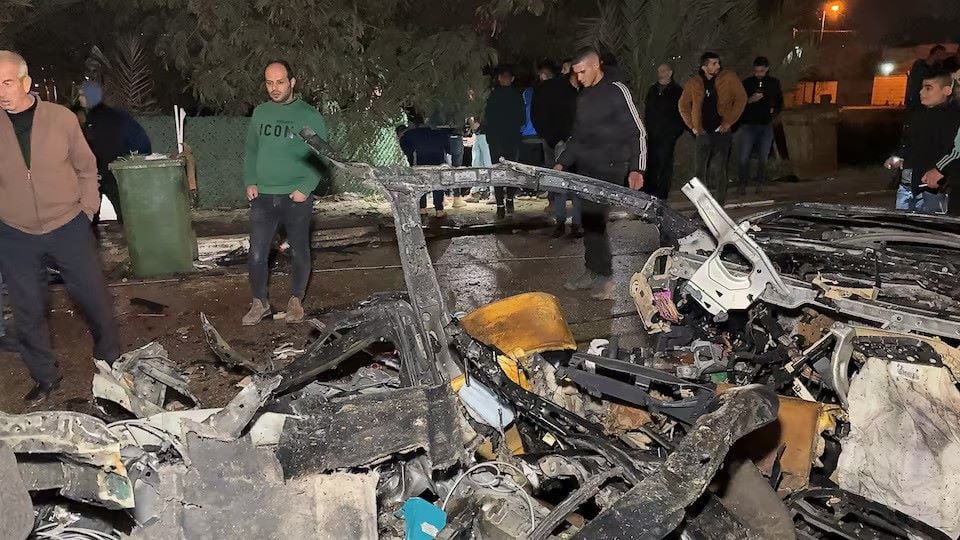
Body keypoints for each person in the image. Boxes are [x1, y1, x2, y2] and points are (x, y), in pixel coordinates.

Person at [0, 50, 121, 402]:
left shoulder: (61, 119)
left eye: (7, 83)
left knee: (94, 298)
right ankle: (45, 376)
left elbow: (86, 166)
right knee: (27, 309)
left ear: (25, 82)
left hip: (68, 224)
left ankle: (110, 362)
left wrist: (87, 208)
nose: (2, 91)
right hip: (15, 233)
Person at [555, 47, 647, 300]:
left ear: (595, 66)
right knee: (588, 221)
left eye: (582, 72)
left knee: (596, 220)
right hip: (586, 168)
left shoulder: (617, 91)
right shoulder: (584, 98)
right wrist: (562, 163)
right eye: (575, 74)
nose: (579, 78)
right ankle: (591, 270)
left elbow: (637, 131)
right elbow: (578, 136)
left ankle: (605, 277)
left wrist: (637, 168)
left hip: (610, 167)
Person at [242, 60, 328, 326]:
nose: (274, 88)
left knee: (299, 250)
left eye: (280, 82)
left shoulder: (308, 115)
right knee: (256, 253)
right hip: (263, 196)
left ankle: (295, 301)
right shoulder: (261, 113)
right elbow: (252, 150)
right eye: (269, 82)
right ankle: (260, 303)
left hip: (295, 196)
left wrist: (305, 188)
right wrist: (251, 180)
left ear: (292, 82)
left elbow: (321, 155)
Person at [884, 70, 960, 213]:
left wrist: (940, 171)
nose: (921, 92)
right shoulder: (918, 115)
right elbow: (908, 143)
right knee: (904, 228)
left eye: (928, 88)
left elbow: (953, 151)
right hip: (908, 185)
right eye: (921, 87)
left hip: (934, 187)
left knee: (930, 230)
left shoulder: (953, 119)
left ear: (947, 90)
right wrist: (899, 156)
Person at [679, 52, 747, 205]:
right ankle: (701, 206)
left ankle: (719, 203)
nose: (718, 66)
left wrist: (729, 122)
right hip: (702, 133)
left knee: (720, 169)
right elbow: (683, 105)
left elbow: (741, 98)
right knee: (699, 171)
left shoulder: (728, 78)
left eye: (718, 63)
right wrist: (692, 127)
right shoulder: (694, 83)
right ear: (704, 67)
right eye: (714, 63)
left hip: (721, 132)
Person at [79, 81, 152, 223]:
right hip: (116, 168)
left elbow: (103, 146)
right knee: (123, 211)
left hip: (108, 170)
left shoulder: (98, 118)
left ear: (90, 96)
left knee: (94, 212)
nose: (79, 99)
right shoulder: (108, 115)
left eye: (82, 95)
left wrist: (99, 171)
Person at [532, 59, 579, 236]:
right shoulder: (567, 90)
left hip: (553, 141)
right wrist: (563, 138)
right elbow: (570, 115)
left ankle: (561, 223)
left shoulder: (545, 88)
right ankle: (574, 224)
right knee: (575, 183)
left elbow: (537, 115)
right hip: (566, 142)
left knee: (558, 181)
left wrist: (547, 137)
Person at [483, 64, 526, 219]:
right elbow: (522, 119)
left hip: (496, 139)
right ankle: (508, 200)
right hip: (511, 138)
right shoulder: (516, 96)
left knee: (498, 171)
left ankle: (501, 204)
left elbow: (487, 118)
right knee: (511, 170)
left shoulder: (493, 96)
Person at [738, 56, 784, 195]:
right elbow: (739, 103)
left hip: (766, 125)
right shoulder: (747, 83)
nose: (759, 74)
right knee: (744, 156)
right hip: (749, 125)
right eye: (757, 71)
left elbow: (780, 101)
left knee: (763, 156)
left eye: (762, 71)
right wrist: (751, 100)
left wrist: (774, 110)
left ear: (767, 69)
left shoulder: (774, 83)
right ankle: (742, 184)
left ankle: (759, 183)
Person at [643, 63, 684, 200]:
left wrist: (674, 132)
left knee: (665, 163)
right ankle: (649, 191)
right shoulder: (653, 90)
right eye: (659, 70)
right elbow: (648, 110)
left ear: (670, 73)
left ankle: (662, 194)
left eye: (664, 71)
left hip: (668, 134)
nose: (661, 73)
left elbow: (681, 113)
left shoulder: (677, 91)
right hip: (652, 132)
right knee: (651, 162)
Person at [398, 112, 449, 218]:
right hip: (437, 161)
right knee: (437, 183)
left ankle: (422, 208)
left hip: (419, 162)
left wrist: (411, 159)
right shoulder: (438, 133)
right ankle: (439, 210)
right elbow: (448, 148)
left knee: (421, 184)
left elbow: (405, 148)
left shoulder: (409, 134)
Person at [905, 45, 949, 111]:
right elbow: (916, 83)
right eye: (942, 54)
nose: (944, 57)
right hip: (916, 102)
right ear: (937, 53)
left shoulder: (935, 68)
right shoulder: (920, 66)